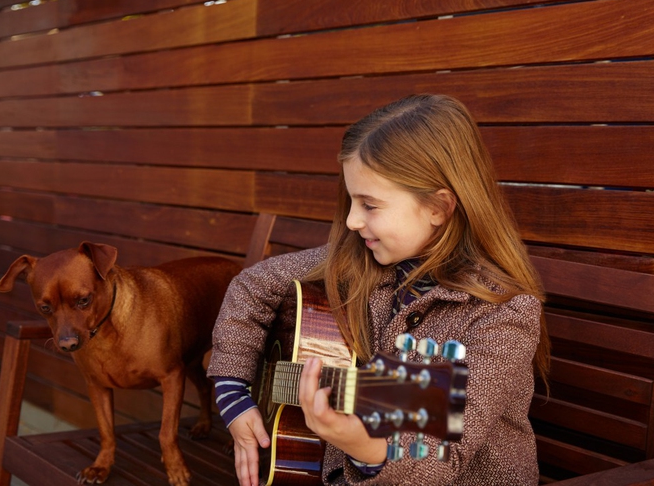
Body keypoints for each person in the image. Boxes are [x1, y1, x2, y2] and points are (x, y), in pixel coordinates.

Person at [207, 94, 550, 485]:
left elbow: (443, 455)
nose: (352, 221)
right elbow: (251, 286)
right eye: (351, 201)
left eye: (369, 205)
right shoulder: (357, 260)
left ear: (438, 208)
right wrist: (233, 393)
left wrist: (369, 449)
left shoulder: (503, 311)